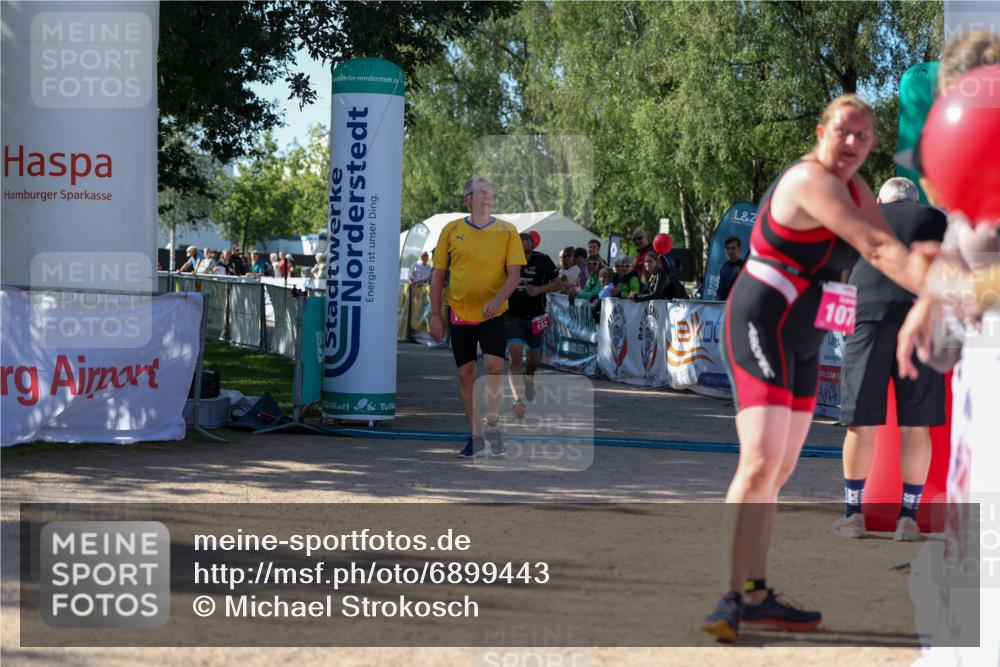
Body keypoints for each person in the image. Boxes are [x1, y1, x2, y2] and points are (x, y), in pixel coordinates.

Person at [702, 94, 927, 643]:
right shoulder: (811, 180)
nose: (852, 143)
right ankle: (730, 598)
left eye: (864, 136)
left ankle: (755, 594)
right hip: (760, 321)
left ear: (873, 145)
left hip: (803, 339)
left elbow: (877, 255)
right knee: (758, 463)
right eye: (843, 131)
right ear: (821, 130)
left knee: (777, 472)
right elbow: (876, 248)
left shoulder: (854, 189)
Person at [834, 177, 947, 542]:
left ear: (882, 198)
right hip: (921, 321)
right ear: (916, 199)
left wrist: (836, 332)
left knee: (860, 423)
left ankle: (853, 515)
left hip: (865, 319)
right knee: (917, 426)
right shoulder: (938, 217)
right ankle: (908, 520)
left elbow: (838, 273)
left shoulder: (863, 217)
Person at [430, 177, 525, 458]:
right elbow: (438, 276)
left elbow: (515, 274)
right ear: (467, 199)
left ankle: (493, 428)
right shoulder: (451, 229)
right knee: (465, 373)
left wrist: (498, 299)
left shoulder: (508, 231)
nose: (487, 197)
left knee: (495, 367)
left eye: (490, 193)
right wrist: (436, 314)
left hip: (494, 313)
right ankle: (475, 434)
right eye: (481, 193)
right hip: (460, 312)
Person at [505, 232, 561, 418]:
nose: (524, 245)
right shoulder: (507, 260)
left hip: (535, 317)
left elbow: (559, 283)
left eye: (527, 242)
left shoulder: (543, 260)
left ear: (533, 245)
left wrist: (539, 290)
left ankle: (529, 378)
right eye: (520, 243)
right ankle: (517, 400)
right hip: (512, 316)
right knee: (514, 358)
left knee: (533, 361)